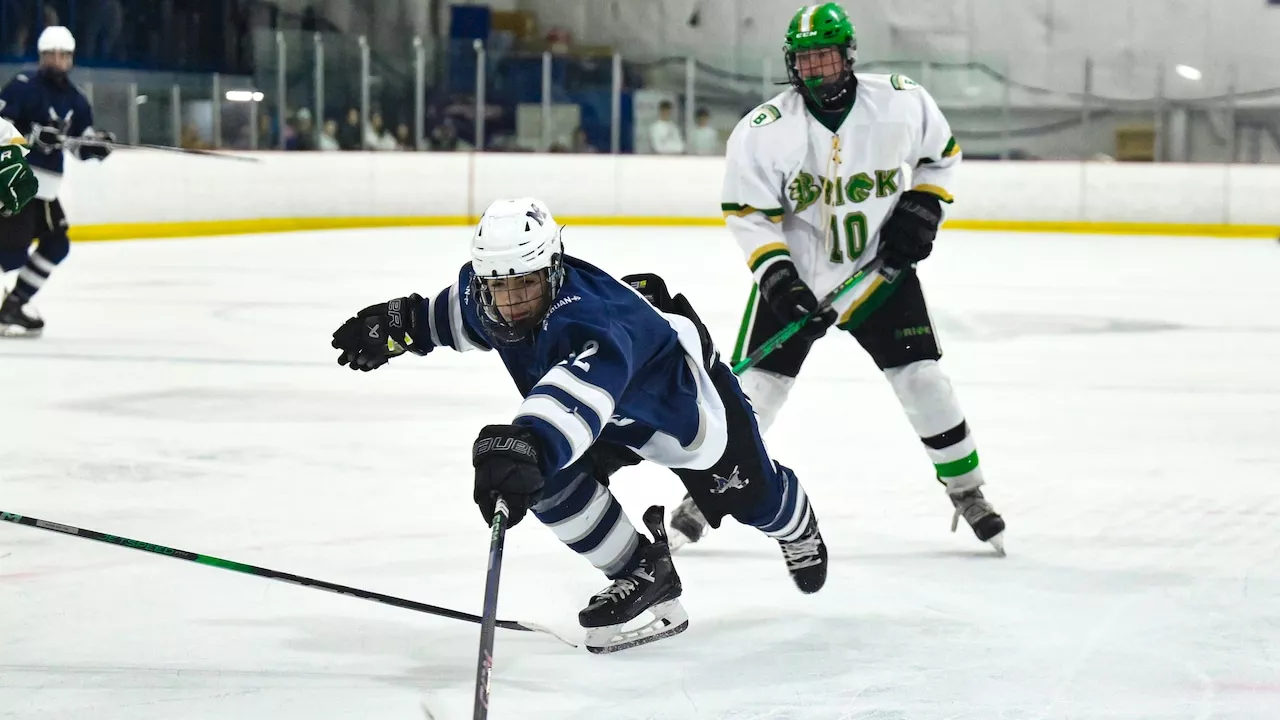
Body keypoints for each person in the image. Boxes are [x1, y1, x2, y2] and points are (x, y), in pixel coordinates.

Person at [330, 198, 828, 653]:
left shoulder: (590, 323)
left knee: (755, 500)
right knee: (543, 479)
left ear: (553, 270)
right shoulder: (493, 295)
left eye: (527, 283)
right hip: (605, 418)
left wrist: (531, 443)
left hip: (677, 410)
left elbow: (578, 396)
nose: (515, 301)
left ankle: (798, 524)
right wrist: (402, 323)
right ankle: (642, 572)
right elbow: (456, 315)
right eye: (501, 287)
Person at [668, 2, 1005, 554]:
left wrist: (921, 208)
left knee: (923, 380)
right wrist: (778, 276)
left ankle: (967, 490)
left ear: (847, 55)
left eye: (824, 57)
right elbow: (747, 210)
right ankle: (704, 497)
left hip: (880, 277)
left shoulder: (901, 101)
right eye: (804, 60)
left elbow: (939, 156)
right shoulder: (765, 129)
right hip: (798, 280)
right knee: (756, 394)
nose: (815, 70)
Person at [0, 26, 111, 338]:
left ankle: (15, 304)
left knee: (56, 243)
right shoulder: (22, 88)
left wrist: (95, 146)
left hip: (45, 189)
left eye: (63, 55)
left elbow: (77, 142)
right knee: (10, 251)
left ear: (71, 59)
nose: (56, 61)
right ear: (41, 57)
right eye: (50, 54)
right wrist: (32, 135)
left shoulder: (76, 101)